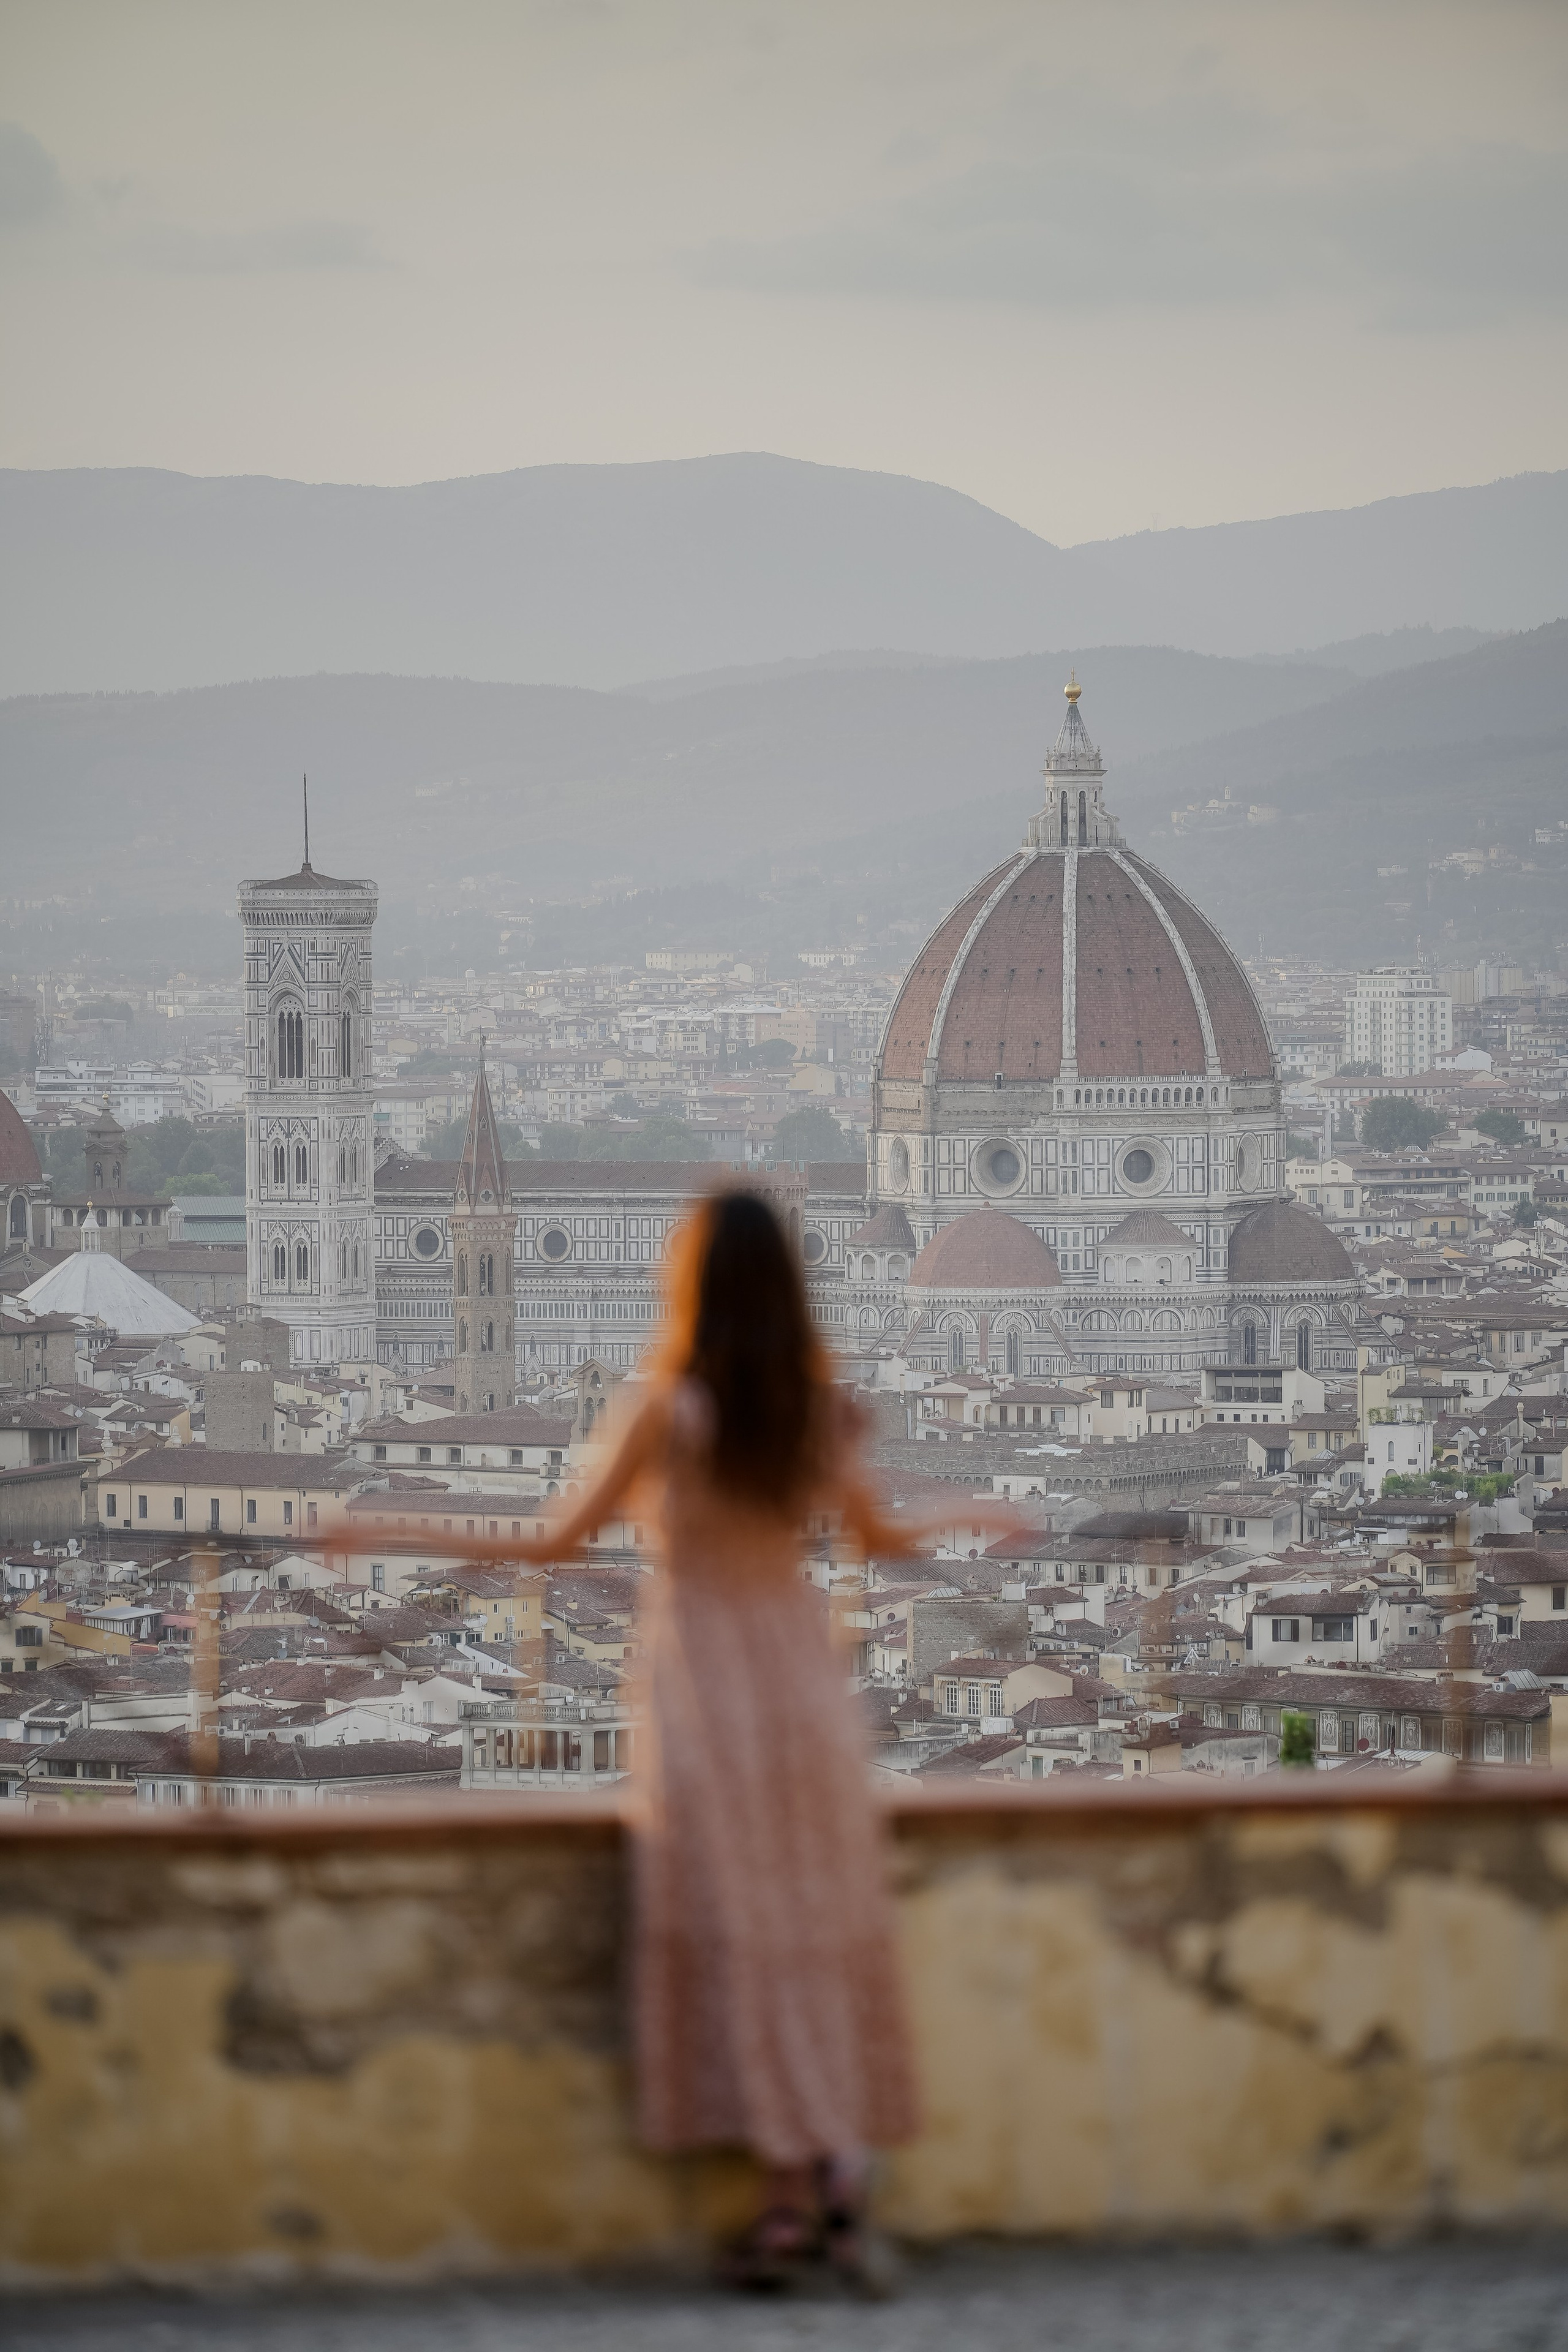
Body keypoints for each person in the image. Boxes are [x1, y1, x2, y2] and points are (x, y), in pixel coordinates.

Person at [515, 1186, 1015, 2293]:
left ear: (686, 1281)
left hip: (705, 1696)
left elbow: (556, 1541)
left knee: (737, 1931)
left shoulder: (663, 1406)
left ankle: (790, 2208)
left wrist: (376, 1527)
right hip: (804, 1695)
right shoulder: (817, 1406)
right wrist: (980, 1513)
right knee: (814, 1923)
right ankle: (833, 2174)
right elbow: (879, 1536)